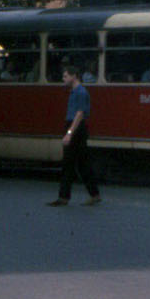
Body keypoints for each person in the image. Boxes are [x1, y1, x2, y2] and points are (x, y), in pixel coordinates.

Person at [48, 65, 101, 206]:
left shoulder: (80, 92)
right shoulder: (75, 92)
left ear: (74, 76)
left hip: (75, 128)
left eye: (65, 76)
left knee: (68, 164)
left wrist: (69, 133)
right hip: (77, 128)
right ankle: (94, 194)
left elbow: (79, 114)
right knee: (82, 164)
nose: (63, 79)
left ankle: (63, 197)